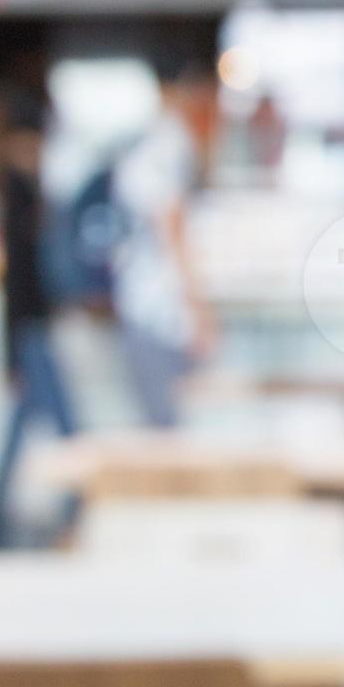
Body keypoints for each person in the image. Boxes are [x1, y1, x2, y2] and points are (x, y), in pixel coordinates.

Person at [0, 37, 74, 550]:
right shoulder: (18, 196)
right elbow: (15, 278)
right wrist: (11, 351)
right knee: (67, 434)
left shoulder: (26, 192)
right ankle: (68, 518)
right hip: (30, 332)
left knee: (22, 438)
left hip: (32, 331)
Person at [108, 55, 220, 428]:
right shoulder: (171, 144)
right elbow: (172, 230)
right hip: (158, 312)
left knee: (163, 424)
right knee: (169, 430)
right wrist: (198, 312)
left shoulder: (149, 142)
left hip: (141, 305)